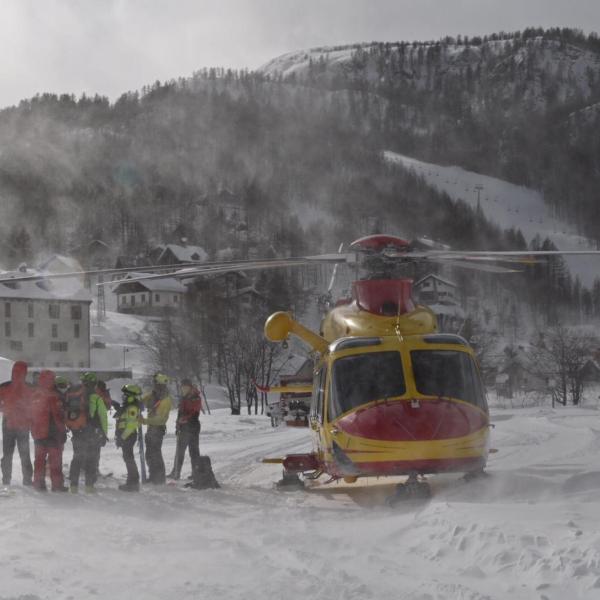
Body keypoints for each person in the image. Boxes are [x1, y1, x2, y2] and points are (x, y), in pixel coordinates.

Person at [65, 372, 107, 493]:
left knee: (76, 458)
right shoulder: (96, 397)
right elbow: (103, 417)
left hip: (77, 431)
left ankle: (73, 486)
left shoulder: (75, 395)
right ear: (94, 384)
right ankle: (89, 487)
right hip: (92, 433)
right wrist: (104, 433)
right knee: (91, 460)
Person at [30, 371, 67, 492]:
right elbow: (59, 415)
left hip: (38, 434)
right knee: (55, 461)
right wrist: (62, 432)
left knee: (39, 461)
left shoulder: (35, 393)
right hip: (53, 434)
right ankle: (57, 485)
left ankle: (38, 484)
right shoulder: (55, 395)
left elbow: (29, 414)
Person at [0, 361, 33, 486]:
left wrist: (5, 409)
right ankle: (27, 479)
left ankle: (6, 479)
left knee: (7, 454)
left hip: (8, 424)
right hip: (23, 426)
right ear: (25, 372)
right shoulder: (30, 387)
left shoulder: (4, 386)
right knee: (25, 454)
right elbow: (35, 406)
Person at [167, 378, 204, 480]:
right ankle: (176, 472)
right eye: (182, 387)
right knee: (179, 451)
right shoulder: (184, 397)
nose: (183, 389)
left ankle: (195, 473)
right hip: (183, 427)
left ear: (190, 387)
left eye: (185, 387)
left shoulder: (195, 397)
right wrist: (177, 426)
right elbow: (180, 413)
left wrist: (184, 419)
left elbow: (194, 413)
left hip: (192, 426)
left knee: (194, 451)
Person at [141, 373, 172, 485]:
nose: (154, 386)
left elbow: (161, 420)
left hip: (158, 429)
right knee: (149, 454)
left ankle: (159, 478)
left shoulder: (166, 400)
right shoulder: (154, 395)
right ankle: (153, 475)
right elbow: (143, 400)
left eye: (156, 384)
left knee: (156, 454)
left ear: (161, 385)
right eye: (154, 384)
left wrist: (145, 421)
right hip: (150, 429)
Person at [114, 384, 142, 492]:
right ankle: (131, 482)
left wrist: (122, 437)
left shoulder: (132, 407)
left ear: (131, 396)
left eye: (125, 395)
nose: (123, 397)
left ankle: (133, 483)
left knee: (129, 459)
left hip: (128, 436)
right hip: (125, 436)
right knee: (128, 459)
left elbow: (131, 426)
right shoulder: (128, 406)